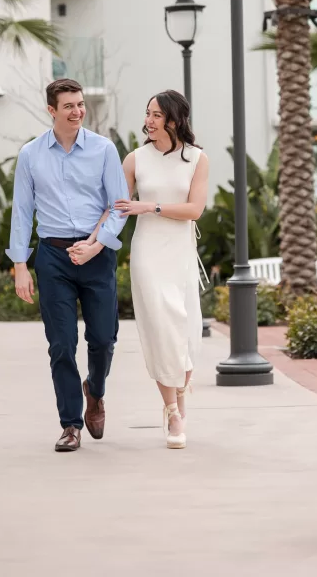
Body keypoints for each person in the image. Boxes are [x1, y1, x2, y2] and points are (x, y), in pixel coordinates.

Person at [8, 77, 128, 453]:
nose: (78, 112)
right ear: (51, 111)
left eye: (80, 104)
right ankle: (70, 424)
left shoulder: (104, 149)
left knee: (104, 339)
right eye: (69, 106)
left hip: (95, 254)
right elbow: (22, 212)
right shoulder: (31, 154)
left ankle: (96, 390)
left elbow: (119, 205)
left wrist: (97, 246)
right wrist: (20, 265)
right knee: (61, 344)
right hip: (53, 256)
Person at [104, 90, 208, 449]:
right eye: (147, 113)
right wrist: (92, 241)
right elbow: (115, 207)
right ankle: (172, 412)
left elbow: (194, 210)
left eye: (156, 115)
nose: (148, 121)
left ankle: (179, 401)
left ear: (174, 120)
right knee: (161, 328)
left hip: (180, 254)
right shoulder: (134, 159)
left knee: (187, 330)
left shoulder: (197, 159)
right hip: (148, 254)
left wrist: (150, 206)